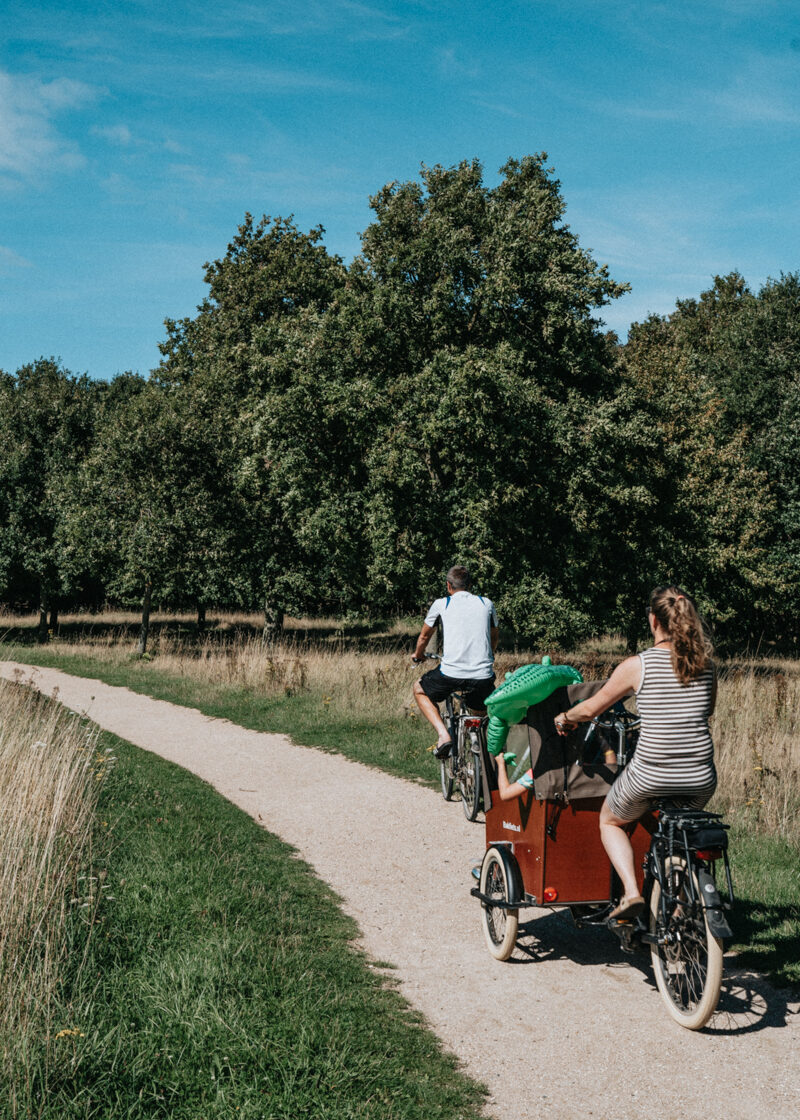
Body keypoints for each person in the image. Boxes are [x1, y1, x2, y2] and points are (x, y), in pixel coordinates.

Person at [553, 585, 717, 921]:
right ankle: (679, 889)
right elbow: (705, 712)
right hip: (701, 777)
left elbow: (592, 709)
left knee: (610, 819)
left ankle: (631, 892)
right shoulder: (707, 666)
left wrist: (565, 718)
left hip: (652, 774)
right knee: (675, 826)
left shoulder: (637, 665)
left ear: (653, 620)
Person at [412, 566, 499, 759]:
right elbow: (494, 638)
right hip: (482, 675)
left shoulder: (442, 604)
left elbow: (424, 637)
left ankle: (444, 735)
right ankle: (480, 750)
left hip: (450, 674)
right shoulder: (486, 603)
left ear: (448, 586)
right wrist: (487, 656)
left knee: (419, 689)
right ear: (470, 586)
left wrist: (418, 655)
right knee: (480, 712)